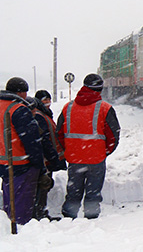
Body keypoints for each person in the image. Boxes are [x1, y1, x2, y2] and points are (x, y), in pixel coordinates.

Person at [57, 74, 120, 219]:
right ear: (100, 89)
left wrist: (69, 150)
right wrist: (104, 152)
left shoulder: (68, 107)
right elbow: (113, 136)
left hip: (74, 159)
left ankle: (68, 217)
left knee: (73, 191)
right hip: (96, 159)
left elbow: (59, 133)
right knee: (93, 192)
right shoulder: (105, 108)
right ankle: (91, 219)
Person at [0, 77, 61, 225]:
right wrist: (40, 167)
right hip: (21, 164)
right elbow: (32, 142)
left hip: (4, 163)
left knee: (10, 199)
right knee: (22, 203)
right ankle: (21, 231)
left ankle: (9, 225)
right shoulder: (19, 109)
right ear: (21, 93)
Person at [31, 91, 66, 220]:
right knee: (42, 186)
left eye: (49, 100)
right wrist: (52, 157)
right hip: (44, 160)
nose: (48, 103)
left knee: (43, 185)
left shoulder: (43, 114)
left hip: (45, 159)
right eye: (44, 100)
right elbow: (44, 139)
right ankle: (39, 213)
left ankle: (39, 212)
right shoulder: (39, 116)